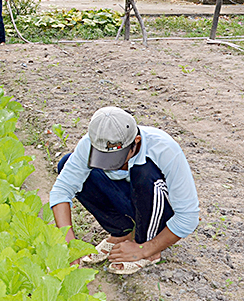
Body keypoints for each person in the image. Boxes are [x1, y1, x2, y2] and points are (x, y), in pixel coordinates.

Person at [49, 106, 199, 275]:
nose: (110, 165)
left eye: (116, 159)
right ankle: (122, 232)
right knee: (66, 163)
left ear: (135, 141)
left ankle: (148, 245)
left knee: (143, 171)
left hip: (157, 205)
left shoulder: (164, 149)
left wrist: (144, 249)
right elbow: (62, 190)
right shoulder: (90, 144)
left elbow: (188, 217)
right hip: (129, 198)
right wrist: (68, 239)